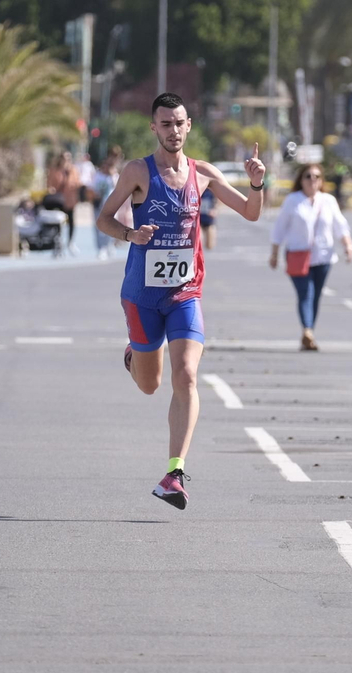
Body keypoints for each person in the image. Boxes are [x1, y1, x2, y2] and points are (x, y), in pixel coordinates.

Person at [96, 92, 266, 510]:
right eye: (166, 124)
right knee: (150, 385)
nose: (173, 131)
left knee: (186, 375)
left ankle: (174, 472)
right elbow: (103, 218)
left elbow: (250, 212)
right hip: (141, 295)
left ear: (189, 126)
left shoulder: (203, 173)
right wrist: (130, 235)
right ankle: (135, 356)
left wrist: (257, 183)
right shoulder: (138, 172)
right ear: (154, 127)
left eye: (180, 123)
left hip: (184, 293)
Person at [271, 163, 352, 352]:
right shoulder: (293, 200)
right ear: (301, 180)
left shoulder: (328, 201)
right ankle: (307, 330)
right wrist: (274, 253)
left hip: (323, 256)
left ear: (321, 180)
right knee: (305, 293)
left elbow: (340, 225)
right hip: (297, 255)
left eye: (316, 176)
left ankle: (308, 332)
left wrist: (348, 246)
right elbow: (279, 228)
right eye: (308, 176)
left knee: (315, 296)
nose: (312, 180)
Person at [43, 152, 81, 254]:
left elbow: (77, 183)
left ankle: (70, 242)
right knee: (58, 221)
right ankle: (58, 243)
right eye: (64, 158)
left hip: (70, 199)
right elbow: (50, 184)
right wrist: (51, 190)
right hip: (58, 200)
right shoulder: (55, 170)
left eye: (68, 158)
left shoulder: (73, 170)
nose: (66, 160)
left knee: (71, 221)